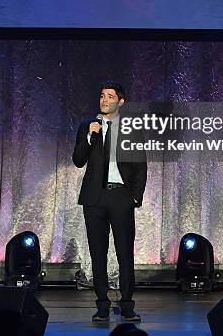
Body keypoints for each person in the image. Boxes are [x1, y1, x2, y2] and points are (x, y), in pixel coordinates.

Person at [72, 82, 147, 323]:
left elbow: (140, 166)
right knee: (98, 254)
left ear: (120, 101)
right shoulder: (87, 126)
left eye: (110, 96)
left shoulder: (131, 129)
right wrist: (90, 136)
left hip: (120, 196)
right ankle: (102, 305)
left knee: (125, 253)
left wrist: (135, 196)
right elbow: (78, 160)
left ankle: (127, 305)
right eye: (102, 95)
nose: (104, 100)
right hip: (94, 198)